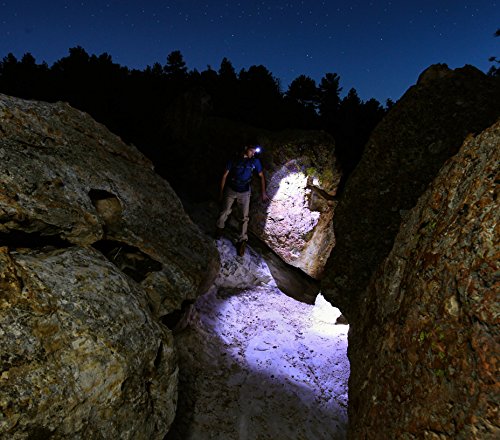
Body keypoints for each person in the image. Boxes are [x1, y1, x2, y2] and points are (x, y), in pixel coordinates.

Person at [215, 144, 269, 256]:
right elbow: (224, 176)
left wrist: (263, 193)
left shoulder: (254, 161)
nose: (253, 153)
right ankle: (219, 229)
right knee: (225, 211)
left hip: (244, 192)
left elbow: (261, 176)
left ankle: (242, 241)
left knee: (244, 217)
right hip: (231, 189)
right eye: (251, 151)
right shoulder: (234, 159)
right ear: (245, 148)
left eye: (254, 152)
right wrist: (221, 193)